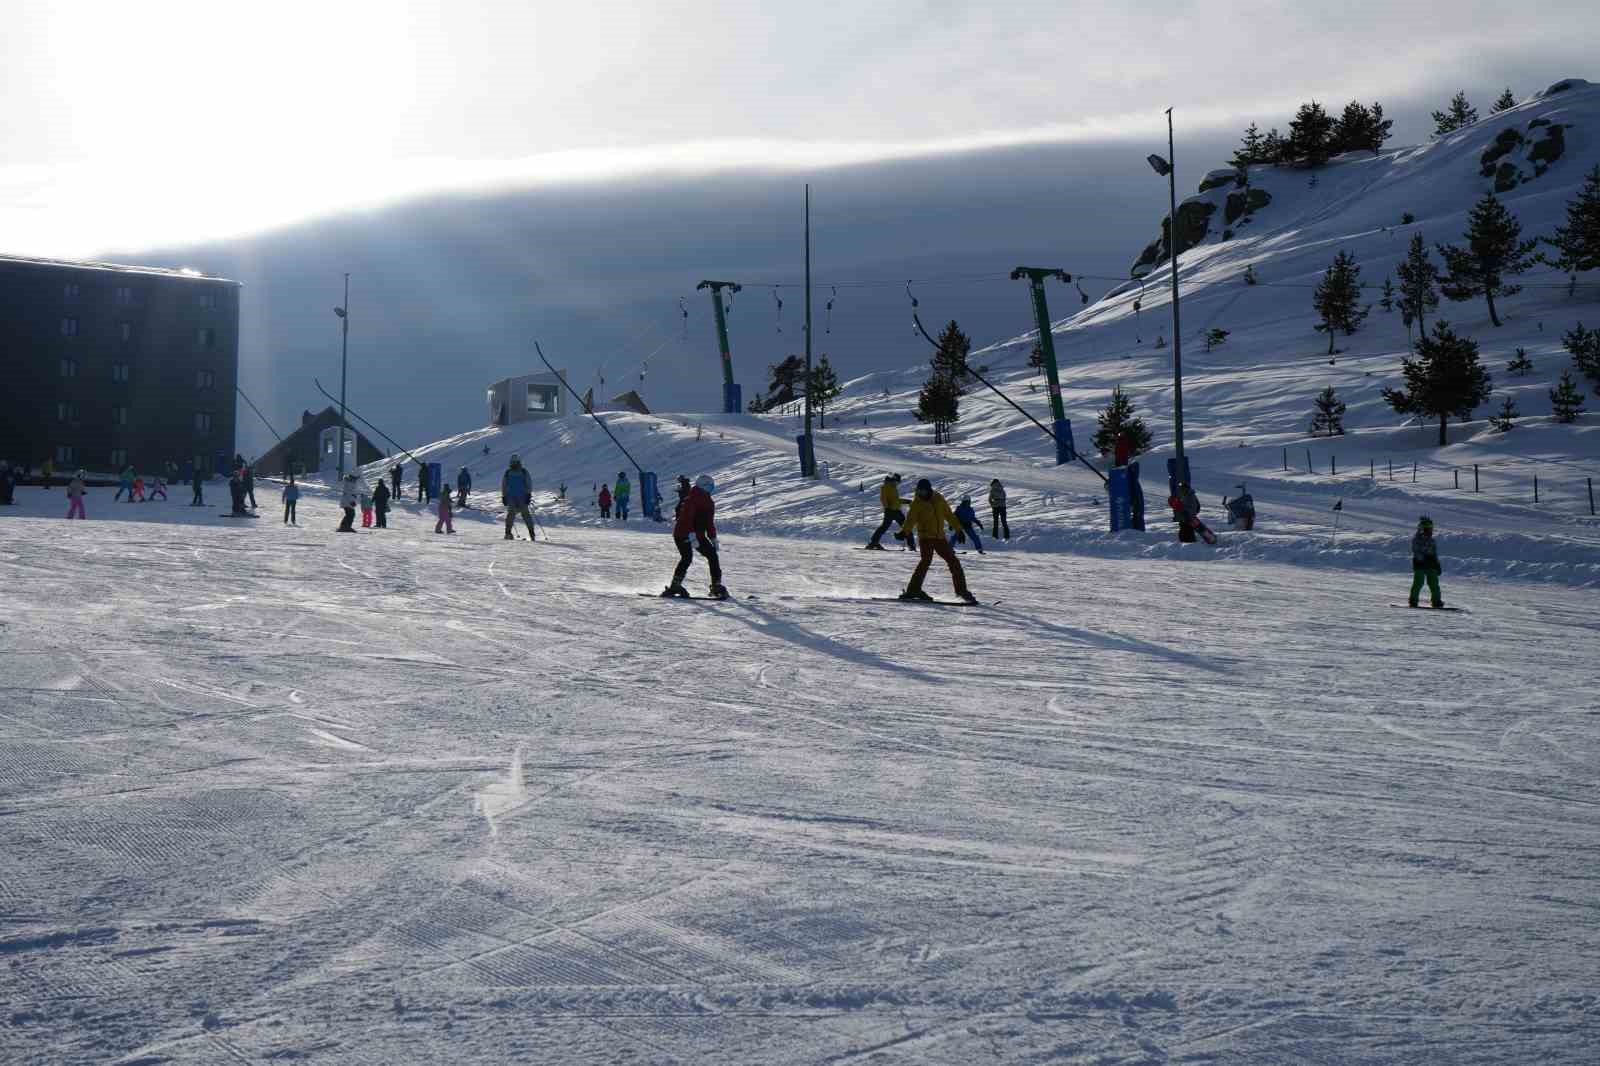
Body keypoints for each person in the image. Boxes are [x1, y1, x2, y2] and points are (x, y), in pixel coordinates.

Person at [898, 478, 976, 604]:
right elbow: (910, 519)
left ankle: (962, 591)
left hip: (940, 537)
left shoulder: (939, 498)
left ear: (929, 490)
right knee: (925, 561)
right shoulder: (916, 503)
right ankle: (913, 590)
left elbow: (949, 515)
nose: (921, 493)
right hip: (925, 538)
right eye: (919, 491)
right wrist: (904, 532)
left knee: (954, 562)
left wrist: (959, 530)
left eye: (923, 491)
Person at [664, 475, 726, 599]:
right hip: (683, 533)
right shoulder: (691, 499)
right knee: (687, 558)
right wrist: (691, 536)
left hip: (698, 535)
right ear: (701, 486)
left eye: (711, 487)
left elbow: (709, 522)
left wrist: (713, 538)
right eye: (708, 486)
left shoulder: (708, 501)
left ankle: (716, 585)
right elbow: (687, 519)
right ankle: (675, 586)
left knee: (713, 555)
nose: (710, 489)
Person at [865, 474, 912, 550]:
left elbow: (895, 500)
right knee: (885, 527)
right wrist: (887, 508)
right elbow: (883, 498)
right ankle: (873, 543)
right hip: (890, 511)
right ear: (894, 480)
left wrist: (906, 501)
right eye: (897, 482)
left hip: (896, 511)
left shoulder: (893, 488)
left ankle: (911, 545)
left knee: (905, 526)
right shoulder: (886, 487)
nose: (897, 484)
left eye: (898, 483)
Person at [1409, 516, 1444, 608]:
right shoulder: (1417, 539)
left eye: (1430, 529)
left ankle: (1436, 601)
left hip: (1431, 564)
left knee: (1434, 583)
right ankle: (1413, 600)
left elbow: (1434, 553)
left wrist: (1437, 564)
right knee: (1418, 582)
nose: (1430, 531)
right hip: (1420, 564)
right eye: (1427, 529)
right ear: (1421, 529)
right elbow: (1416, 550)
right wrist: (1421, 559)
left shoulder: (1432, 540)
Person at [501, 454, 536, 541]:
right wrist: (504, 496)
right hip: (514, 497)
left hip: (520, 497)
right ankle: (508, 533)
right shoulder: (509, 472)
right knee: (514, 515)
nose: (514, 464)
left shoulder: (522, 472)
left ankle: (531, 533)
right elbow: (504, 485)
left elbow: (528, 483)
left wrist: (528, 495)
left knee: (521, 515)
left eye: (515, 462)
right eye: (513, 462)